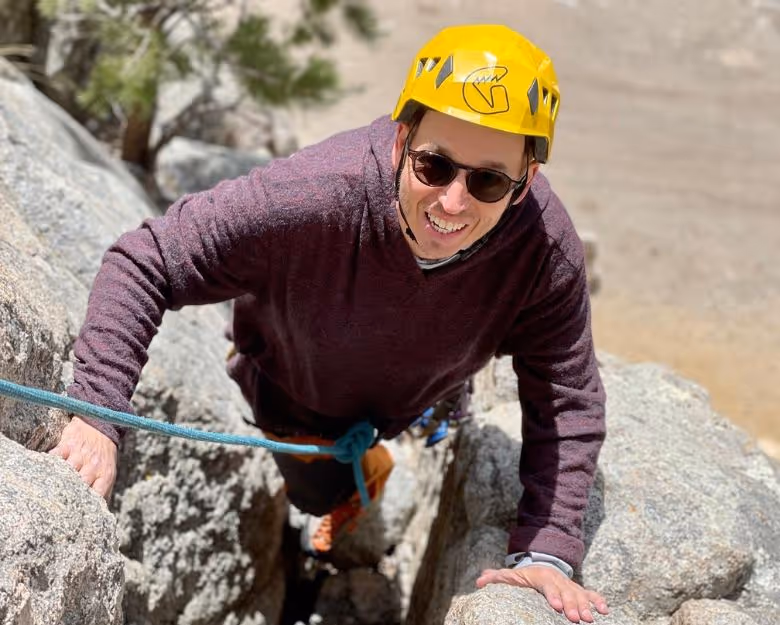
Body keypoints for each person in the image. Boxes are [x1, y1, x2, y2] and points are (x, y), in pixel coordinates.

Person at [49, 24, 609, 624]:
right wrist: (97, 413)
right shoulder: (313, 197)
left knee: (421, 397)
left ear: (523, 185)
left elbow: (567, 395)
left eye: (488, 181)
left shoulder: (543, 251)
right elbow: (146, 259)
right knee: (316, 493)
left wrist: (548, 549)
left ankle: (434, 416)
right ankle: (363, 477)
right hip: (293, 392)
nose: (453, 202)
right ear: (400, 143)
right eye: (434, 165)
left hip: (424, 381)